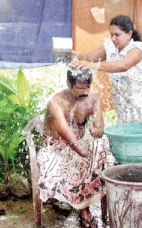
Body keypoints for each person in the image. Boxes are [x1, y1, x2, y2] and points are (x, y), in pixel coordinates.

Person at [37, 66, 107, 228]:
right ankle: (84, 211)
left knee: (100, 150)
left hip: (78, 146)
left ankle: (83, 208)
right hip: (54, 148)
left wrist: (96, 131)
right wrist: (84, 153)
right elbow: (68, 137)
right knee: (78, 163)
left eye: (87, 87)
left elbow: (100, 128)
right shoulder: (56, 102)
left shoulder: (94, 98)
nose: (84, 92)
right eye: (79, 88)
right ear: (68, 84)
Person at [73, 15, 142, 123]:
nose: (113, 38)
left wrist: (94, 66)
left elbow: (123, 65)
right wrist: (71, 55)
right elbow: (88, 58)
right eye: (111, 34)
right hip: (123, 105)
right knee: (125, 136)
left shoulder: (137, 49)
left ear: (129, 34)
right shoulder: (110, 47)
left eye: (117, 35)